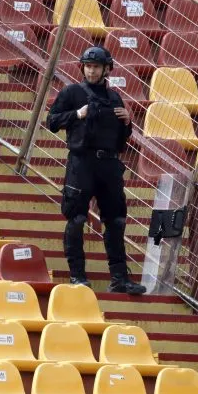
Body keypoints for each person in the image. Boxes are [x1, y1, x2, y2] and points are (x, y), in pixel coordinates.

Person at [46, 46, 146, 296]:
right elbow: (52, 121)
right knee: (77, 218)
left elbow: (122, 139)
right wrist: (77, 114)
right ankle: (77, 275)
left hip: (109, 164)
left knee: (116, 220)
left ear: (106, 69)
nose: (91, 70)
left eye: (96, 66)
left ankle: (120, 279)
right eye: (88, 66)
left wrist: (127, 123)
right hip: (82, 162)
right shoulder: (72, 92)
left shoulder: (114, 97)